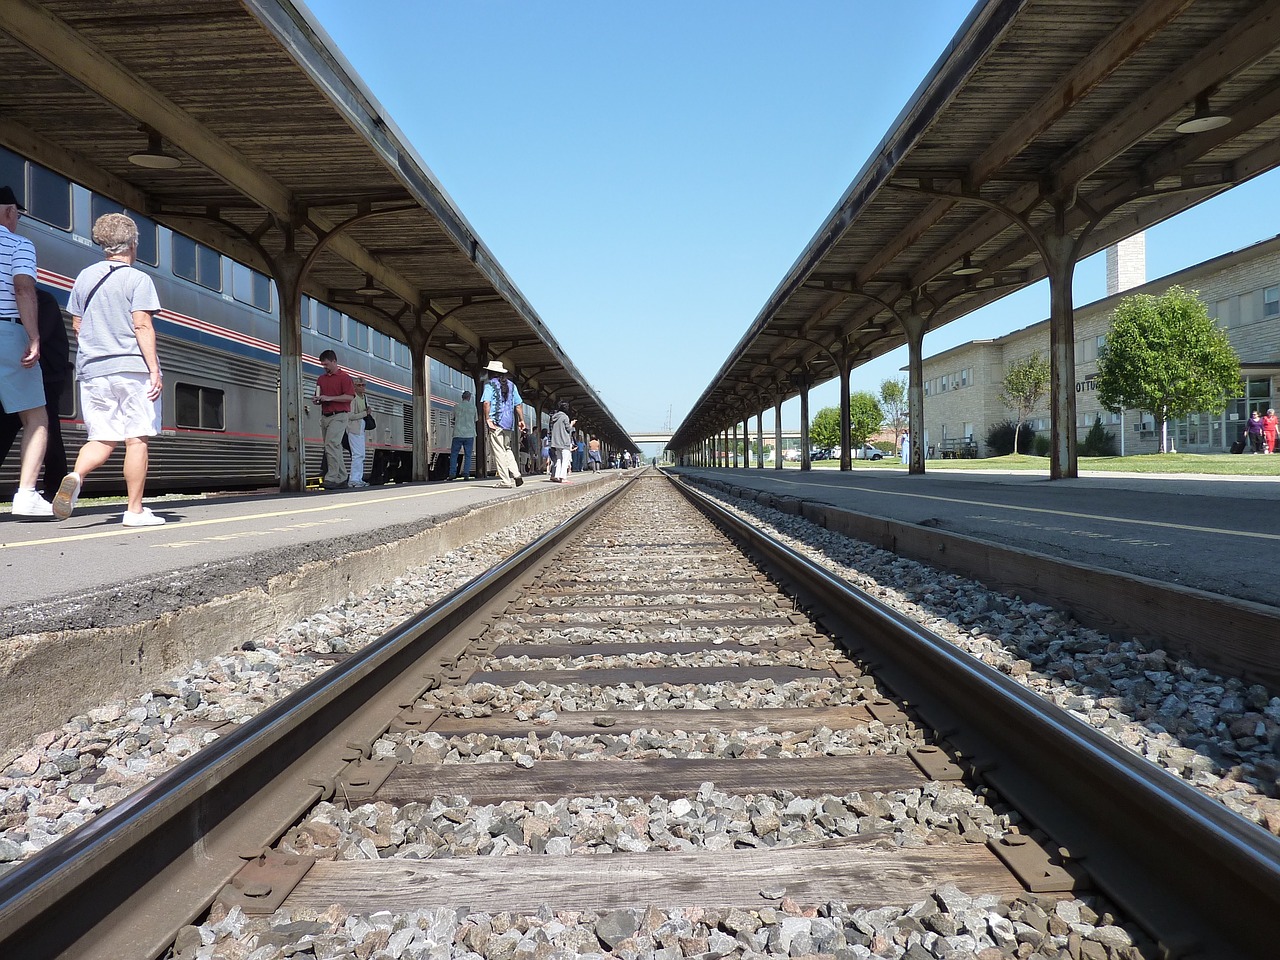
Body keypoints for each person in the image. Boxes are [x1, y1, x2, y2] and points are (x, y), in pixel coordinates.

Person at [53, 212, 164, 526]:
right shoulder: (137, 279)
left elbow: (77, 324)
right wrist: (154, 370)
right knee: (136, 439)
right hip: (132, 369)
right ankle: (134, 511)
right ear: (132, 244)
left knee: (101, 438)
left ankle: (76, 475)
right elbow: (142, 325)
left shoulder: (85, 277)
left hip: (93, 371)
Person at [0, 185, 52, 517]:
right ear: (7, 212)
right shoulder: (19, 244)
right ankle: (26, 494)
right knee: (36, 418)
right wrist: (33, 336)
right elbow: (22, 287)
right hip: (5, 331)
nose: (17, 220)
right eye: (17, 214)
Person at [0, 288, 67, 498]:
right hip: (21, 374)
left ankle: (54, 491)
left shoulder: (43, 300)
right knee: (7, 431)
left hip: (45, 377)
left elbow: (37, 336)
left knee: (48, 434)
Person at [313, 349, 355, 488]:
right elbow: (319, 395)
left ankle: (331, 477)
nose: (324, 367)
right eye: (323, 365)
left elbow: (349, 397)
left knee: (331, 444)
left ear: (334, 361)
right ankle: (342, 477)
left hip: (340, 415)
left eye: (326, 364)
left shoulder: (345, 377)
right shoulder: (321, 379)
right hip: (325, 416)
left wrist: (329, 398)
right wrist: (317, 399)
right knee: (332, 446)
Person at [481, 359, 524, 488]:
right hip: (508, 423)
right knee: (507, 449)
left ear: (490, 372)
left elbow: (486, 403)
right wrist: (521, 420)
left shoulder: (489, 385)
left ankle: (505, 481)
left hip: (496, 423)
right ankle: (516, 474)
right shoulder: (512, 385)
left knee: (499, 451)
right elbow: (518, 405)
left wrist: (488, 419)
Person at [346, 377, 369, 487]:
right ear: (354, 386)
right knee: (357, 454)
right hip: (354, 428)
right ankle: (354, 479)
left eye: (363, 385)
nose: (362, 387)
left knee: (361, 455)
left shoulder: (364, 397)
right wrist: (365, 413)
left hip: (360, 428)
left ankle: (358, 478)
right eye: (359, 385)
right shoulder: (353, 398)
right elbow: (350, 416)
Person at [449, 389, 477, 480]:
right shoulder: (473, 407)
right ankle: (466, 473)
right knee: (468, 455)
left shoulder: (456, 407)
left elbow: (452, 419)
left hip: (458, 433)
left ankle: (452, 473)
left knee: (454, 454)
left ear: (462, 397)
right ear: (469, 398)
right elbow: (475, 420)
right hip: (469, 434)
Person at [549, 399, 574, 483]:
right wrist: (572, 424)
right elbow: (568, 429)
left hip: (556, 442)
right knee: (565, 460)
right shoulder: (565, 417)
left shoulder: (555, 417)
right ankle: (563, 477)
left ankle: (557, 475)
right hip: (564, 442)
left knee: (559, 459)